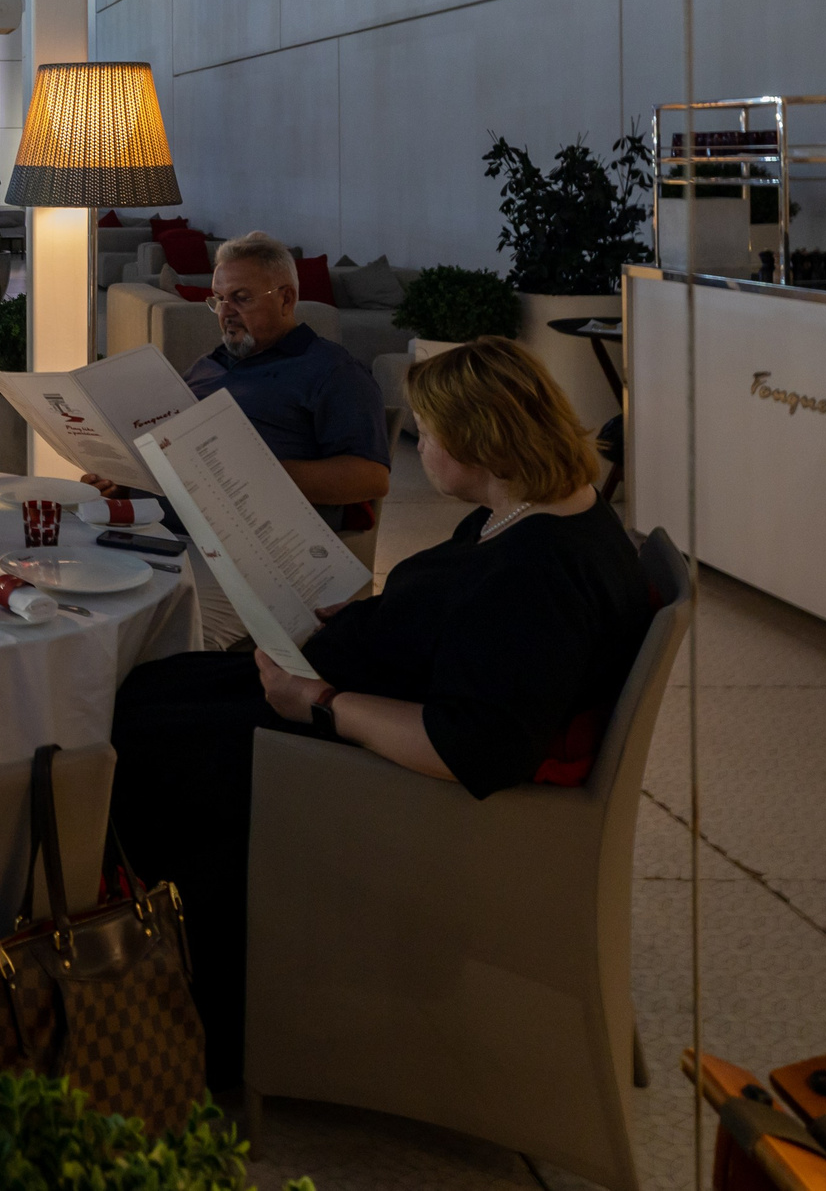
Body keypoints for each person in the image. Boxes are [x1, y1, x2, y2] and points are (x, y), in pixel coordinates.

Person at [106, 336, 656, 1090]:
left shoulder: (539, 577)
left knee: (143, 736)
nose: (419, 446)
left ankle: (213, 1020)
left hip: (359, 757)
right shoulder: (537, 511)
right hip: (356, 686)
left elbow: (470, 743)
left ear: (478, 443)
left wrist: (323, 701)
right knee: (153, 686)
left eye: (427, 433)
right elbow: (454, 622)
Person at [89, 231, 388, 528]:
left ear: (286, 299)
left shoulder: (333, 370)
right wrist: (124, 481)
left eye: (241, 298)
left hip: (246, 535)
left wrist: (250, 470)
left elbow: (370, 478)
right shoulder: (209, 364)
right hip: (155, 519)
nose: (225, 312)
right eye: (218, 299)